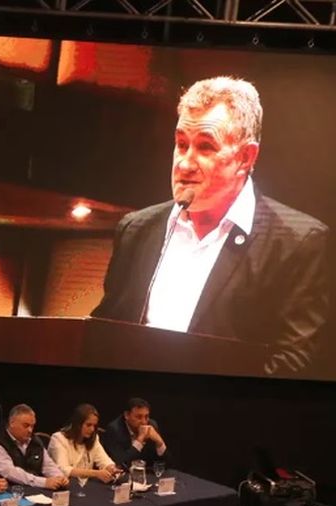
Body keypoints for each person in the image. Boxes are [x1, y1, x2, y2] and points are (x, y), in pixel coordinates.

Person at [92, 76, 329, 375]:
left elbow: (293, 362)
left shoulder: (297, 241)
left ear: (245, 157)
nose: (185, 163)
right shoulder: (136, 229)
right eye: (181, 144)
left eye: (205, 147)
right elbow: (103, 335)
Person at [0, 404, 69, 490]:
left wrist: (59, 477)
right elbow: (10, 472)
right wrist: (44, 482)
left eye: (32, 426)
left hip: (36, 489)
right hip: (9, 491)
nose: (30, 430)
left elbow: (48, 465)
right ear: (12, 423)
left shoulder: (35, 441)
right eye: (26, 425)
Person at [48, 404, 119, 484]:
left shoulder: (93, 439)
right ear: (77, 424)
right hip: (64, 485)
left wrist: (111, 468)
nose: (92, 429)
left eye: (94, 426)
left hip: (84, 486)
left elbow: (105, 461)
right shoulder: (58, 439)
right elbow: (64, 469)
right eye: (88, 425)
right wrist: (96, 473)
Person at [101, 397, 169, 468]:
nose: (144, 422)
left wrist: (159, 442)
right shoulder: (114, 429)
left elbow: (167, 464)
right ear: (127, 415)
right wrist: (139, 440)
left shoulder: (152, 425)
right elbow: (121, 464)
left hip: (147, 472)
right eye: (139, 417)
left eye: (146, 417)